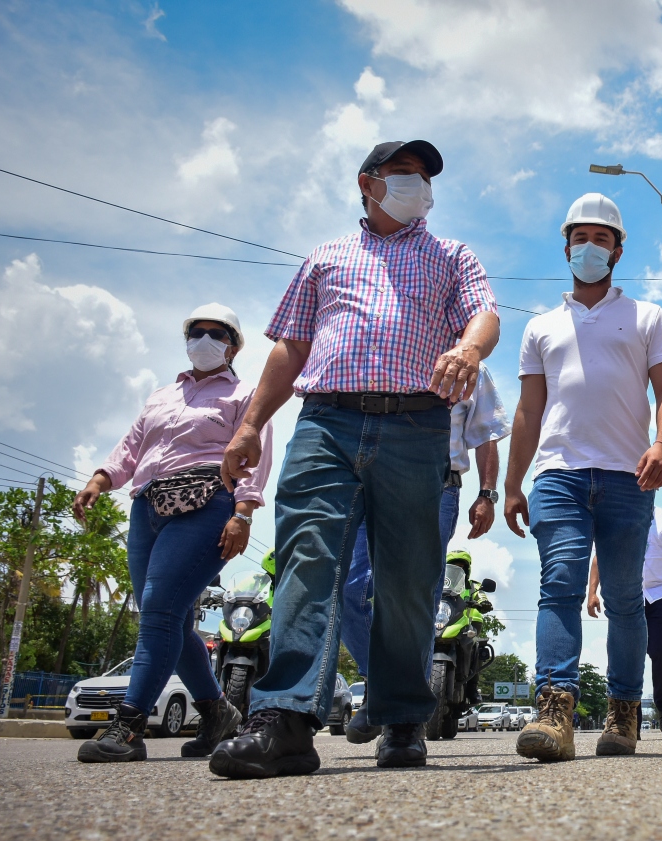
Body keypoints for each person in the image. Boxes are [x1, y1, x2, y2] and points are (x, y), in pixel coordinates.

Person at [209, 139, 499, 778]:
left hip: (415, 426)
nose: (417, 185)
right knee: (307, 559)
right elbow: (291, 347)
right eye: (403, 174)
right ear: (367, 183)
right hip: (327, 424)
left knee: (406, 579)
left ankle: (402, 721)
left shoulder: (451, 255)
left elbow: (485, 315)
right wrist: (251, 423)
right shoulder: (325, 257)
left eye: (424, 177)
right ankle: (285, 718)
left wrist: (471, 351)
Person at [504, 193, 662, 762]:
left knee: (625, 600)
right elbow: (528, 411)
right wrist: (510, 483)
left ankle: (624, 714)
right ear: (566, 246)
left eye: (603, 239)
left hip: (630, 476)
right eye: (582, 238)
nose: (590, 247)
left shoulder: (647, 317)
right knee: (561, 584)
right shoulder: (541, 327)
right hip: (559, 474)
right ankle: (555, 712)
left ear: (619, 251)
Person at [71, 303, 272, 763]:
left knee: (159, 611)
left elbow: (255, 456)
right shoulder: (163, 394)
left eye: (215, 333)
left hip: (207, 503)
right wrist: (100, 480)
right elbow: (132, 446)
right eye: (195, 332)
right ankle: (216, 712)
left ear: (234, 345)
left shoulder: (247, 394)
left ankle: (127, 727)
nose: (204, 340)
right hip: (147, 508)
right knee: (172, 618)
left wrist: (243, 513)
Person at [343, 363, 509, 743]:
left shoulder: (475, 369)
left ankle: (404, 716)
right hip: (372, 479)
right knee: (350, 588)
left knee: (420, 595)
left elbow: (487, 434)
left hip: (439, 484)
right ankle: (384, 684)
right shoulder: (389, 350)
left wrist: (487, 494)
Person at [587, 506, 662, 735]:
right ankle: (631, 715)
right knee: (627, 654)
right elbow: (599, 558)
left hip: (660, 596)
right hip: (627, 595)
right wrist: (592, 592)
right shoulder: (617, 515)